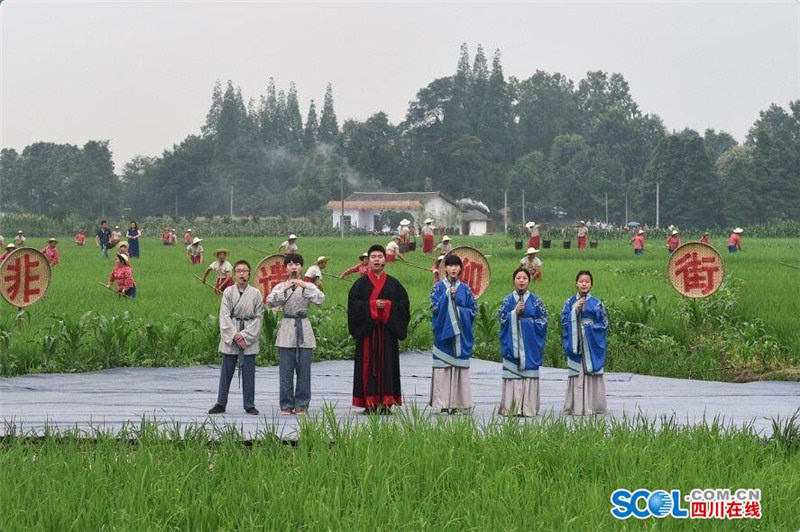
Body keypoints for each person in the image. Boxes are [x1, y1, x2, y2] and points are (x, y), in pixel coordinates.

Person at [348, 244, 410, 414]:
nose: (377, 259)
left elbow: (403, 305)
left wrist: (388, 306)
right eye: (373, 257)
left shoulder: (394, 284)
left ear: (385, 260)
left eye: (380, 256)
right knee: (367, 366)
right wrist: (373, 306)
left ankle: (386, 403)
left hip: (387, 334)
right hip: (368, 334)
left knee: (388, 366)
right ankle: (369, 403)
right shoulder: (360, 285)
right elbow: (353, 306)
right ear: (368, 261)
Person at [267, 254, 326, 415]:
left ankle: (302, 403)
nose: (294, 267)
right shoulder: (280, 286)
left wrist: (304, 286)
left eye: (297, 264)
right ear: (285, 268)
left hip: (304, 327)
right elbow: (270, 301)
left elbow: (321, 299)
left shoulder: (308, 285)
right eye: (290, 264)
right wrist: (286, 289)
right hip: (287, 327)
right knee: (286, 370)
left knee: (304, 370)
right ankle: (286, 403)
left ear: (301, 267)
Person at [208, 260, 263, 415]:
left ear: (249, 274)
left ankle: (249, 404)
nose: (241, 274)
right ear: (234, 274)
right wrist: (234, 335)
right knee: (226, 370)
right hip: (231, 332)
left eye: (245, 271)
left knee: (249, 372)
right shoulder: (228, 292)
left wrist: (244, 336)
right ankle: (221, 403)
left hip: (248, 335)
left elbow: (259, 317)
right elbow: (224, 315)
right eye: (238, 271)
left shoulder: (256, 293)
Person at [429, 255, 477, 414]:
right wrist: (448, 295)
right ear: (445, 269)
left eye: (457, 266)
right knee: (444, 368)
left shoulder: (466, 289)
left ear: (461, 269)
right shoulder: (438, 287)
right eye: (451, 266)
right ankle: (442, 403)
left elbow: (473, 311)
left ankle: (457, 403)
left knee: (458, 368)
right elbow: (434, 308)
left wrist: (458, 311)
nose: (454, 268)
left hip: (461, 335)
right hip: (444, 334)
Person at [497, 268, 549, 417]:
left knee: (529, 374)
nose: (521, 281)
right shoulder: (507, 300)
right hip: (511, 343)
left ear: (529, 281)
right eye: (518, 278)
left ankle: (527, 408)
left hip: (529, 343)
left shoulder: (536, 301)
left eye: (524, 278)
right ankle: (511, 407)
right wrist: (514, 313)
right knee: (512, 375)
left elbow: (544, 320)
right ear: (514, 280)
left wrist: (527, 324)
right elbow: (501, 318)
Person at [562, 270, 608, 415]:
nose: (584, 284)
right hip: (576, 341)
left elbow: (604, 323)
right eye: (581, 281)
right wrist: (574, 311)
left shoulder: (597, 303)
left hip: (591, 341)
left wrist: (589, 329)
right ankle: (575, 405)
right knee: (576, 371)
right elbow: (563, 321)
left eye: (587, 281)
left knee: (591, 372)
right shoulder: (569, 302)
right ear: (576, 284)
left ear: (591, 285)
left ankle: (593, 405)